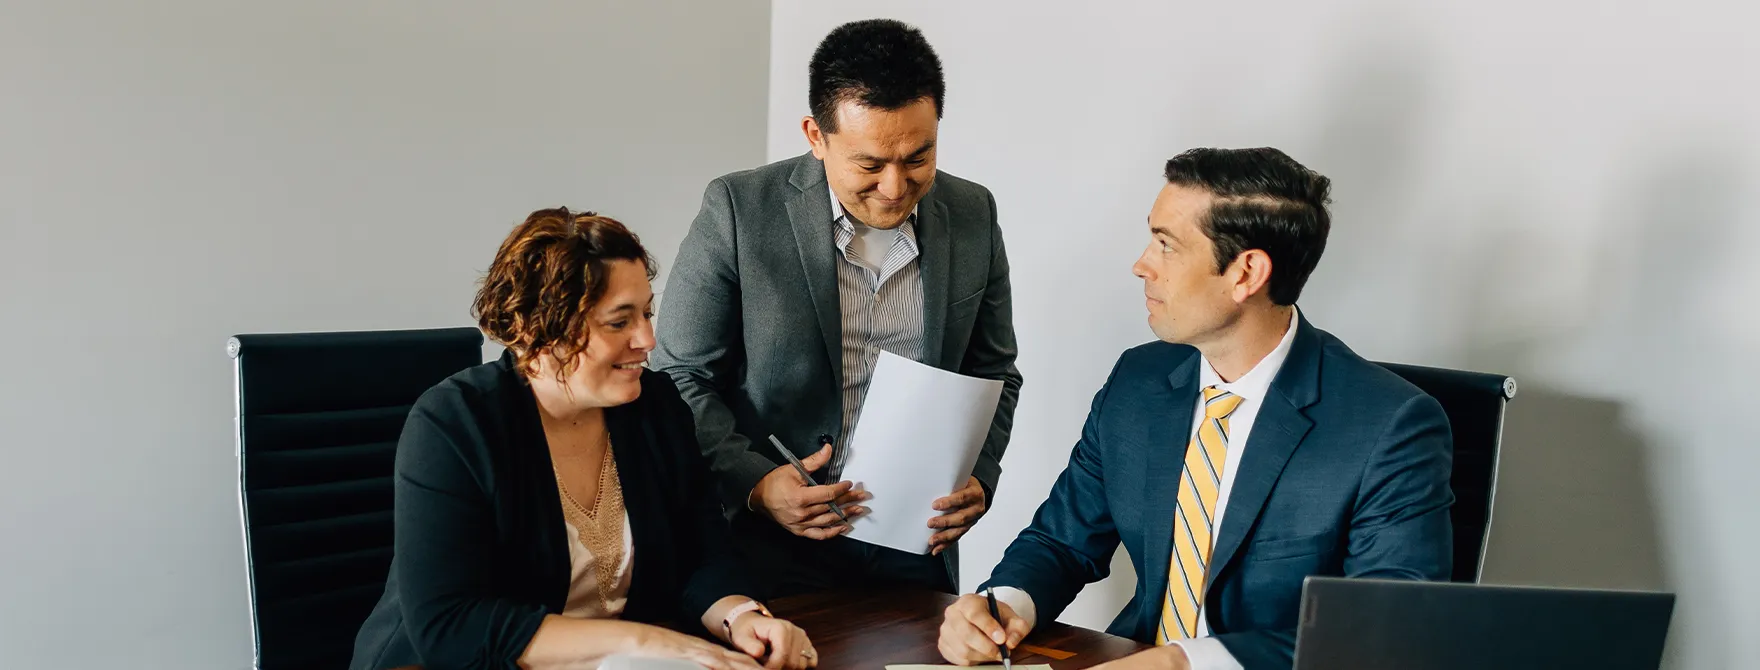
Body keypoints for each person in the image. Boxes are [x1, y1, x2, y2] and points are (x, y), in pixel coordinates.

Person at [936, 148, 1455, 670]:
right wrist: (1001, 605)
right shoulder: (1139, 380)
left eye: (1167, 245)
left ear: (1246, 273)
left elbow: (1388, 632)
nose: (1142, 265)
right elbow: (1062, 542)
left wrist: (1183, 662)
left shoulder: (1390, 426)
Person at [350, 208, 817, 670]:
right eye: (620, 321)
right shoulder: (455, 423)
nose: (648, 339)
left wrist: (741, 617)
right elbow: (452, 625)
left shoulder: (655, 405)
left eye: (647, 313)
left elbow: (704, 554)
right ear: (538, 329)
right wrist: (644, 643)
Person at [651, 18, 1022, 596]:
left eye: (918, 157)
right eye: (870, 165)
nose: (895, 187)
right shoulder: (738, 210)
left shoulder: (974, 212)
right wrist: (755, 485)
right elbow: (680, 376)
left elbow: (994, 371)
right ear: (816, 136)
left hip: (917, 544)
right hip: (768, 542)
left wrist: (980, 474)